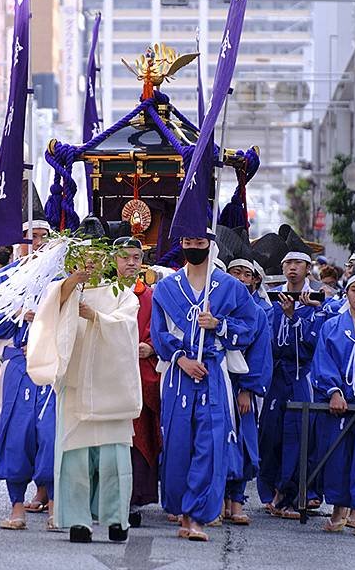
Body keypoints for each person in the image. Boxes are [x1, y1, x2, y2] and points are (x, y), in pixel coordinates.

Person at [27, 244, 142, 543]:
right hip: (77, 383)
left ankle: (118, 519)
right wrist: (74, 280)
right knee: (75, 455)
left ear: (107, 258)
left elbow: (128, 327)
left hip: (111, 385)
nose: (91, 263)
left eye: (96, 257)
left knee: (114, 458)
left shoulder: (121, 291)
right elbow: (51, 308)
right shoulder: (68, 288)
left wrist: (95, 317)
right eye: (84, 258)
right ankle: (79, 521)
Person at [151, 230, 258, 541]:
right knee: (178, 443)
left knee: (210, 445)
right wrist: (180, 359)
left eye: (199, 243)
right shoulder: (167, 287)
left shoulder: (230, 287)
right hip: (179, 374)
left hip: (213, 371)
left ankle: (198, 516)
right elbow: (158, 332)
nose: (193, 247)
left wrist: (219, 325)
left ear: (210, 245)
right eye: (188, 242)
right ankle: (182, 513)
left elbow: (250, 326)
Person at [0, 193, 56, 530]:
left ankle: (54, 502)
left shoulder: (59, 280)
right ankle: (16, 506)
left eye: (42, 236)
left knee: (51, 432)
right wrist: (17, 311)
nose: (36, 243)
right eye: (31, 236)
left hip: (51, 364)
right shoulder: (3, 278)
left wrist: (43, 316)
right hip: (18, 363)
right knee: (17, 431)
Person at [257, 226, 325, 518]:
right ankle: (272, 490)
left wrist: (295, 317)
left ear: (308, 268)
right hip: (276, 376)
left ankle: (291, 495)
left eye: (298, 264)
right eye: (288, 263)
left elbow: (312, 345)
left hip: (301, 376)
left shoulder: (319, 303)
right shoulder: (271, 300)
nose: (292, 268)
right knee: (270, 434)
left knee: (297, 434)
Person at [114, 236, 161, 528]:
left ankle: (134, 500)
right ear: (114, 260)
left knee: (136, 440)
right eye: (125, 257)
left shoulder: (152, 295)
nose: (131, 263)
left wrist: (153, 346)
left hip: (141, 373)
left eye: (136, 257)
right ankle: (105, 498)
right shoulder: (103, 292)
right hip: (111, 374)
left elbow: (165, 328)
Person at [224, 247, 273, 525]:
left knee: (242, 442)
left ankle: (237, 499)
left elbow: (260, 355)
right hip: (217, 380)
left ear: (255, 280)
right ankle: (218, 497)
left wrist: (247, 388)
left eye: (247, 274)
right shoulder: (218, 304)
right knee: (217, 439)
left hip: (240, 386)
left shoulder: (257, 313)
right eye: (236, 272)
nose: (242, 278)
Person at [311, 261, 355, 536]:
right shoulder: (332, 326)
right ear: (347, 292)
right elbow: (324, 359)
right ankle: (339, 511)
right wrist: (334, 391)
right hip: (340, 401)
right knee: (338, 455)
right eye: (354, 289)